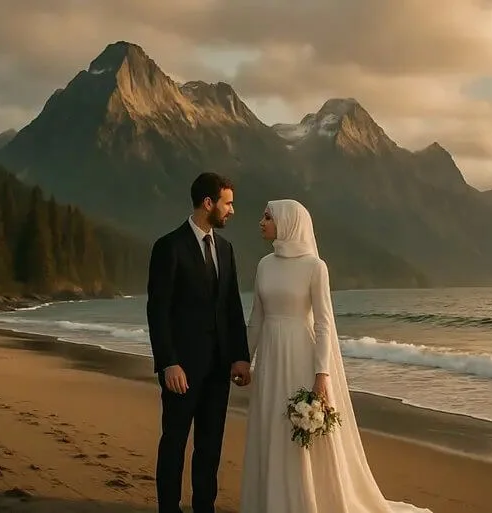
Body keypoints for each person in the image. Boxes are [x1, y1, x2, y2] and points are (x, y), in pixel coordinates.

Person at [239, 198, 398, 513]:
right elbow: (256, 317)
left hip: (301, 353)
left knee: (300, 428)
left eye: (267, 216)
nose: (261, 221)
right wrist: (246, 358)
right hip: (270, 355)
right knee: (271, 423)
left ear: (288, 222)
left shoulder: (315, 267)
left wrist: (322, 374)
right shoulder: (263, 264)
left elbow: (325, 323)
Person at [146, 172, 252, 513]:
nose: (232, 210)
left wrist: (239, 356)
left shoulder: (226, 249)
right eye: (228, 203)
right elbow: (157, 310)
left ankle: (204, 507)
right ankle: (168, 508)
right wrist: (167, 362)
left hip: (219, 367)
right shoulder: (169, 247)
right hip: (182, 369)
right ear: (209, 203)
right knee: (175, 441)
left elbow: (232, 307)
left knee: (210, 445)